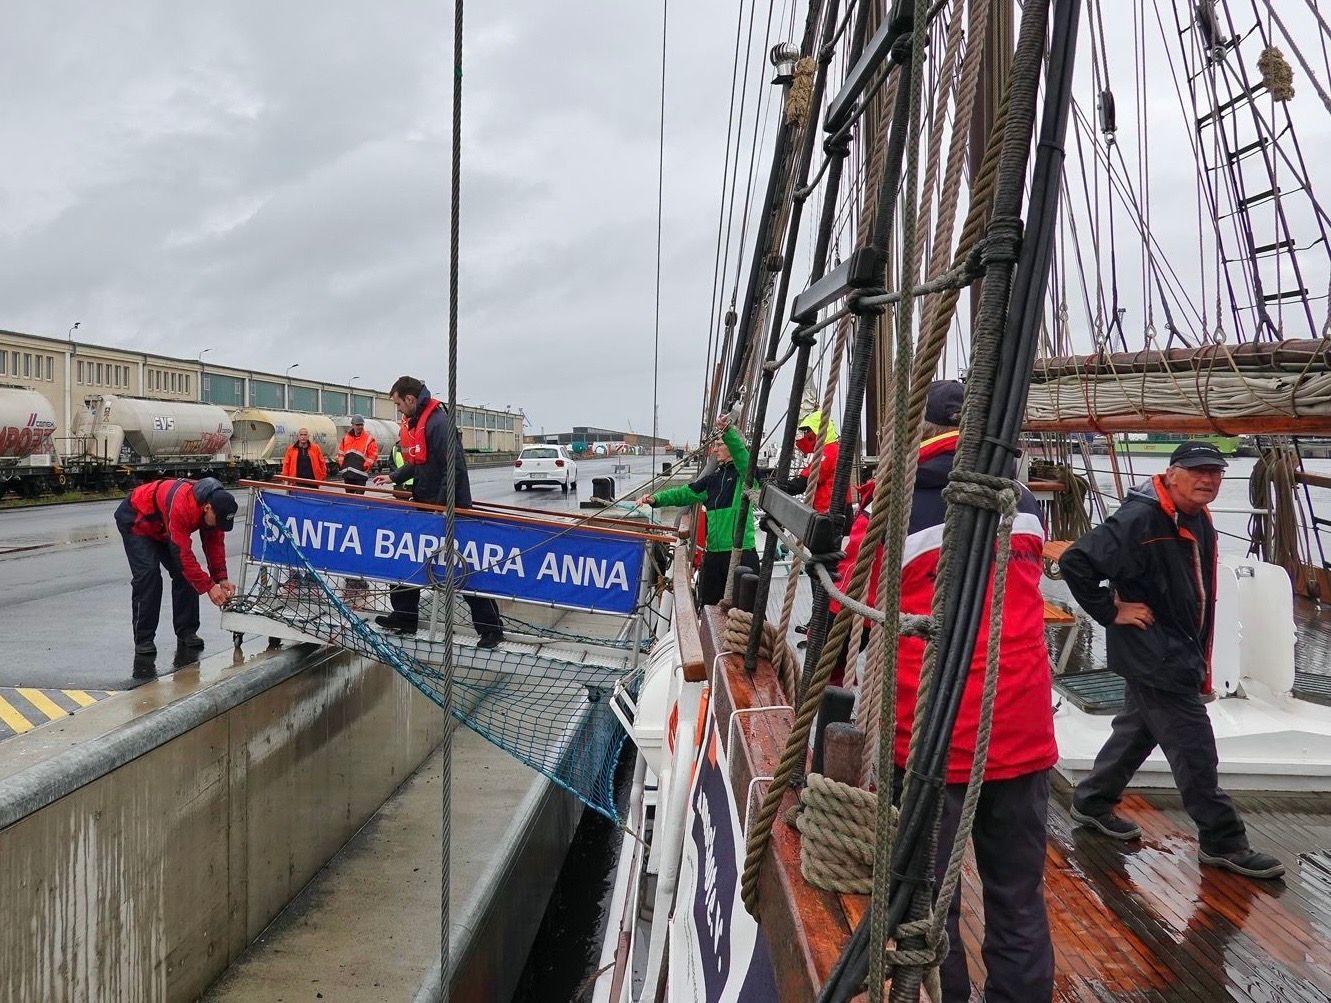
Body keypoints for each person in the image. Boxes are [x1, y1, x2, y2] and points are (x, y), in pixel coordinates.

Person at [833, 380, 1056, 1002]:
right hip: (1023, 733)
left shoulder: (896, 506)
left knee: (932, 907)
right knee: (1018, 898)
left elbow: (853, 597)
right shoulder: (1024, 500)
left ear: (921, 431)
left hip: (935, 741)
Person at [1059, 441, 1285, 880]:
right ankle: (1223, 842)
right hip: (1155, 654)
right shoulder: (1140, 518)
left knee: (1137, 732)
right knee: (1194, 750)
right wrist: (1111, 611)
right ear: (1172, 473)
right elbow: (1077, 561)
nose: (1209, 480)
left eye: (1217, 473)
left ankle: (1092, 802)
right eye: (1199, 472)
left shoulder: (1195, 517)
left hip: (1176, 649)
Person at [371, 376, 504, 648]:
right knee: (406, 557)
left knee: (461, 567)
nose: (398, 409)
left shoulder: (439, 423)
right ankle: (405, 616)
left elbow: (452, 469)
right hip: (428, 504)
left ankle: (491, 629)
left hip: (445, 509)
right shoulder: (423, 421)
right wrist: (394, 477)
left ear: (409, 398)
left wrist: (442, 508)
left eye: (398, 403)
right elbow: (421, 462)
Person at [637, 415, 758, 608]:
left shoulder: (745, 478)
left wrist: (728, 432)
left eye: (719, 444)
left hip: (740, 554)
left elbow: (744, 460)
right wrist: (656, 499)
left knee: (744, 613)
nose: (715, 449)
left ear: (732, 446)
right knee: (708, 608)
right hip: (714, 556)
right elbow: (685, 493)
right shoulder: (713, 480)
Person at [115, 476, 239, 659]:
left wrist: (220, 578)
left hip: (164, 528)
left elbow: (214, 544)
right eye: (218, 521)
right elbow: (182, 555)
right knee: (149, 576)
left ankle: (187, 631)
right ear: (207, 508)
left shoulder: (216, 509)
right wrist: (208, 586)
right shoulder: (182, 504)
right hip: (137, 521)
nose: (219, 526)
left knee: (186, 575)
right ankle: (144, 638)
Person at [335, 415, 379, 492]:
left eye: (361, 424)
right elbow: (341, 453)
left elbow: (373, 455)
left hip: (360, 474)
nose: (360, 427)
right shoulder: (346, 438)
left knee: (359, 499)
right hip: (348, 474)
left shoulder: (368, 438)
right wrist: (342, 464)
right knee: (350, 498)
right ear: (352, 425)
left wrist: (365, 466)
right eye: (357, 425)